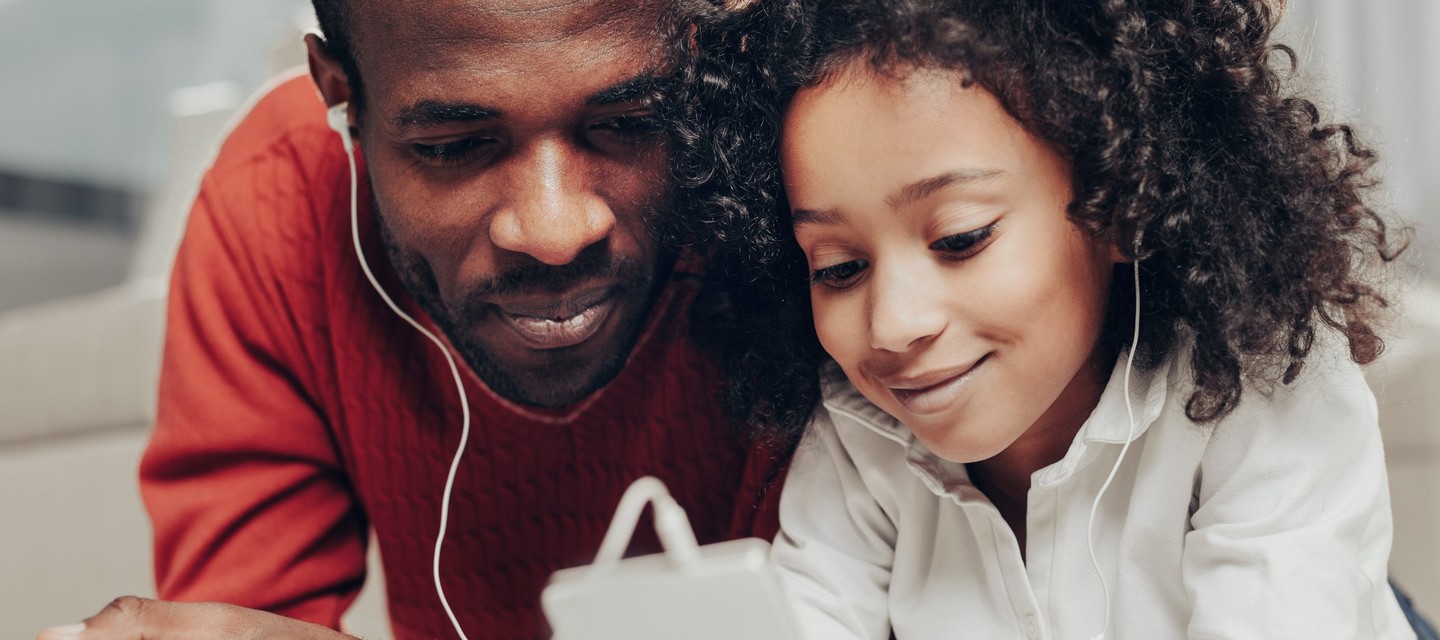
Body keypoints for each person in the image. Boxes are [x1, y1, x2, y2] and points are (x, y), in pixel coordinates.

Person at [672, 0, 1427, 637]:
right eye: (838, 267)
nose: (893, 324)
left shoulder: (1267, 391)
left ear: (1123, 204)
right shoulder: (855, 442)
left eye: (960, 238)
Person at [37, 1, 787, 639]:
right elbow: (245, 615)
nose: (555, 231)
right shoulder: (275, 210)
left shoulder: (808, 164)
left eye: (630, 123)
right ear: (342, 97)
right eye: (454, 147)